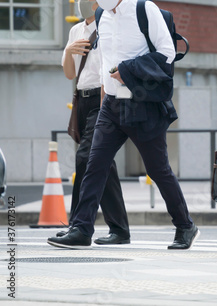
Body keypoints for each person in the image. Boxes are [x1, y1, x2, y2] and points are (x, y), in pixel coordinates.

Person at [47, 0, 199, 249]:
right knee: (94, 165)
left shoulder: (143, 9)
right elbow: (106, 63)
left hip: (143, 104)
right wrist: (104, 100)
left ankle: (185, 226)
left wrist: (128, 69)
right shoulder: (101, 15)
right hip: (110, 106)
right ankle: (81, 229)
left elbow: (167, 53)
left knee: (157, 169)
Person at [60, 0, 130, 245]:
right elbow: (70, 73)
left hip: (103, 100)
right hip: (83, 100)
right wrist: (69, 51)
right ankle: (119, 229)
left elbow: (113, 69)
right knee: (102, 164)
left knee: (85, 157)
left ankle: (78, 225)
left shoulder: (110, 26)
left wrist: (113, 102)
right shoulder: (76, 30)